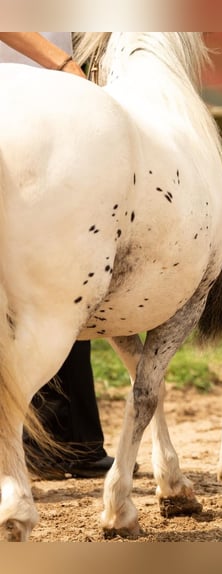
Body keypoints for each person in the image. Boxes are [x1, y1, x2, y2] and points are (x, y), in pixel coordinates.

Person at [0, 33, 115, 479]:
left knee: (62, 275)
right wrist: (64, 66)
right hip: (27, 101)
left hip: (55, 109)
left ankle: (69, 442)